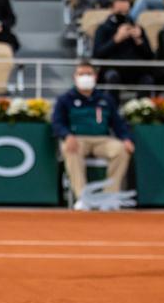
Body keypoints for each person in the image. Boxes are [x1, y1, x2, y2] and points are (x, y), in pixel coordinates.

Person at [52, 60, 134, 210]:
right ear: (75, 77)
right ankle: (83, 197)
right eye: (81, 74)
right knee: (70, 149)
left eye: (88, 74)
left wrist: (126, 138)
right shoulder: (65, 99)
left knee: (121, 150)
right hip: (77, 139)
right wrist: (67, 135)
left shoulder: (105, 99)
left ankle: (109, 197)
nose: (85, 77)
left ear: (95, 77)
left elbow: (118, 123)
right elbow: (57, 123)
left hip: (102, 139)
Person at [93, 0, 155, 93]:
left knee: (148, 79)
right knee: (112, 76)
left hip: (136, 70)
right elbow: (97, 54)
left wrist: (139, 40)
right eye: (119, 12)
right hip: (113, 70)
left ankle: (143, 103)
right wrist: (116, 39)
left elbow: (150, 56)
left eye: (126, 12)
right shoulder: (103, 29)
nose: (123, 15)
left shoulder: (137, 28)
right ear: (111, 9)